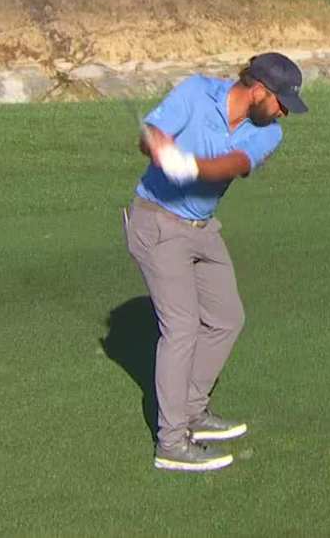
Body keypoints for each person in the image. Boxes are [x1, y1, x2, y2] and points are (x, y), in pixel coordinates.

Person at [122, 52, 308, 472]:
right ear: (258, 90)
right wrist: (158, 146)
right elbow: (148, 135)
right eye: (281, 101)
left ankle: (191, 409)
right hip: (157, 223)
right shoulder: (195, 92)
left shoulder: (269, 133)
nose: (284, 111)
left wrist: (188, 165)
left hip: (201, 227)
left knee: (227, 318)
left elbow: (234, 164)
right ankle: (171, 442)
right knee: (183, 326)